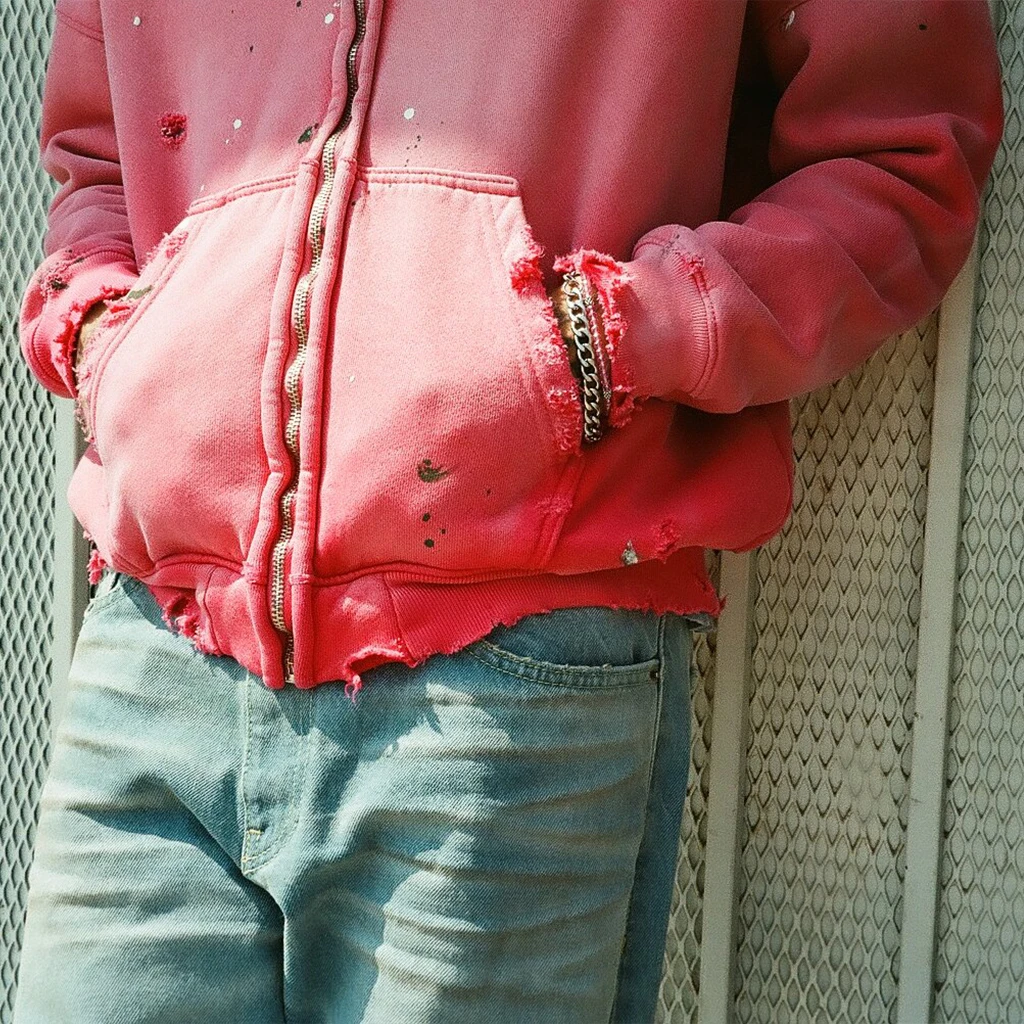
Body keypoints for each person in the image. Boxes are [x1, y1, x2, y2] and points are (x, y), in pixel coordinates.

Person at [13, 1, 1002, 1021]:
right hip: (157, 645)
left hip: (511, 676)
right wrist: (106, 342)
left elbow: (899, 154)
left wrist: (602, 342)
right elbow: (97, 162)